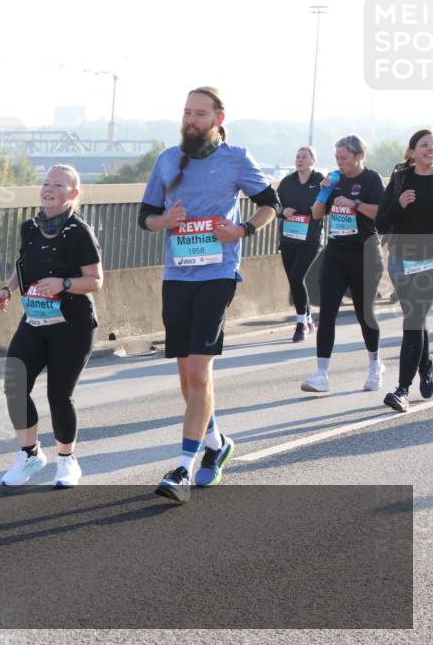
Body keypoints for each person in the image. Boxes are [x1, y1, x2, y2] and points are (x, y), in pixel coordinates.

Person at [138, 86, 278, 503]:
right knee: (187, 378)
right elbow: (145, 217)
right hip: (177, 276)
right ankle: (217, 443)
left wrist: (243, 230)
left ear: (218, 118)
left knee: (199, 373)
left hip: (218, 275)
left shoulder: (236, 158)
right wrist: (167, 219)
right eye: (186, 112)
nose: (191, 120)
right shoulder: (167, 160)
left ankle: (183, 467)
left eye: (199, 113)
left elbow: (270, 203)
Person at [0, 164, 103, 488]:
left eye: (57, 184)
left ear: (73, 194)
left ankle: (67, 461)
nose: (48, 188)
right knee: (14, 385)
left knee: (58, 395)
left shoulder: (78, 232)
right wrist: (7, 289)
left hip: (73, 324)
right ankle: (30, 455)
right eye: (45, 183)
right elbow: (22, 265)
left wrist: (64, 282)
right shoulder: (30, 227)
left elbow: (95, 280)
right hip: (35, 320)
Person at [301, 136, 385, 394]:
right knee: (326, 313)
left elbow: (380, 212)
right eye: (337, 158)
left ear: (358, 156)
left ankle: (374, 365)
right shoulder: (334, 178)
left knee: (364, 313)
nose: (340, 163)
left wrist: (355, 204)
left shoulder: (371, 179)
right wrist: (324, 190)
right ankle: (321, 374)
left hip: (364, 253)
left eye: (344, 158)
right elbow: (316, 213)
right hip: (336, 252)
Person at [377, 129, 433, 412]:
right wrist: (399, 205)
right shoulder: (400, 178)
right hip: (401, 259)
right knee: (416, 322)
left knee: (412, 320)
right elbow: (381, 222)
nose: (430, 148)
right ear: (412, 151)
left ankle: (402, 390)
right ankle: (428, 365)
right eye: (424, 144)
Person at [277, 147, 325, 341]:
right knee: (294, 280)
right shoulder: (286, 183)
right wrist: (283, 212)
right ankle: (308, 318)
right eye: (297, 156)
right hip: (289, 238)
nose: (300, 160)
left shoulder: (321, 182)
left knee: (297, 277)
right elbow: (275, 206)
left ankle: (301, 324)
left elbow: (326, 207)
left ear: (313, 161)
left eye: (305, 157)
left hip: (310, 240)